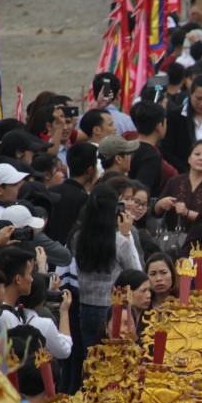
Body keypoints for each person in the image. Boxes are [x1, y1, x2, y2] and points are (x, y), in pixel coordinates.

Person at [74, 184, 141, 349]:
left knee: (92, 361)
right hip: (110, 310)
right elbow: (136, 273)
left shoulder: (77, 238)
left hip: (84, 308)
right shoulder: (119, 242)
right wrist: (126, 235)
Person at [162, 75, 202, 174]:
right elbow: (167, 153)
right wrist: (188, 173)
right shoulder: (175, 117)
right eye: (199, 98)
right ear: (190, 94)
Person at [129, 101, 167, 197]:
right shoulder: (151, 155)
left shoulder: (127, 146)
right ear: (159, 126)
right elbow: (142, 189)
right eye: (165, 122)